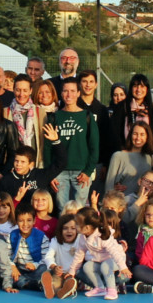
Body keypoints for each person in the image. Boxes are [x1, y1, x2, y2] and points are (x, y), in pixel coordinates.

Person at [48, 79, 99, 207]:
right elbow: (48, 148)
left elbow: (94, 146)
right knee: (62, 208)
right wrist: (49, 173)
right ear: (61, 93)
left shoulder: (87, 116)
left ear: (78, 93)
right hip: (59, 171)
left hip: (81, 171)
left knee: (80, 209)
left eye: (72, 91)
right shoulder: (54, 117)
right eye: (65, 91)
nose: (69, 95)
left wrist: (88, 171)